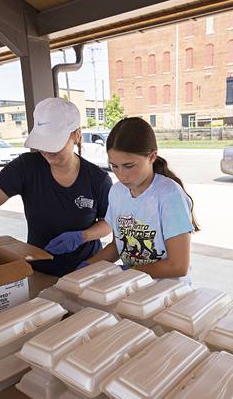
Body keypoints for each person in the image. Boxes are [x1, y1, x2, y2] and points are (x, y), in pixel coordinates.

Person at [0, 97, 112, 277]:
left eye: (53, 143)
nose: (46, 150)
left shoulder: (98, 179)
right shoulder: (26, 167)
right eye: (42, 142)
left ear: (76, 135)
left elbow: (107, 223)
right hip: (40, 270)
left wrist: (83, 236)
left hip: (85, 270)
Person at [84, 117, 199, 282]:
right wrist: (88, 266)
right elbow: (119, 245)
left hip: (169, 293)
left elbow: (178, 265)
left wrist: (127, 271)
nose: (121, 175)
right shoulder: (117, 192)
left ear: (152, 157)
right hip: (133, 287)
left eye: (129, 166)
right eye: (114, 166)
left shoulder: (169, 195)